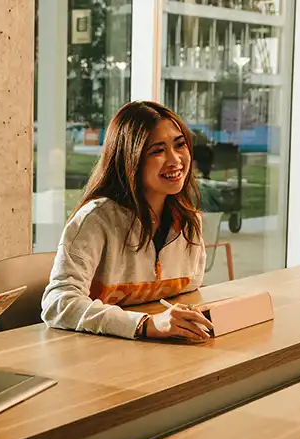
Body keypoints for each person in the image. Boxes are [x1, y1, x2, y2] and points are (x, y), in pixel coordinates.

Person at [41, 101, 213, 342]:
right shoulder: (95, 219)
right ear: (130, 159)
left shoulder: (188, 221)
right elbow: (59, 303)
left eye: (180, 144)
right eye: (158, 150)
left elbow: (188, 293)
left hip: (161, 353)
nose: (175, 160)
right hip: (92, 356)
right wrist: (146, 324)